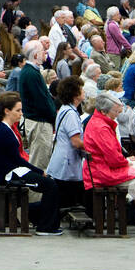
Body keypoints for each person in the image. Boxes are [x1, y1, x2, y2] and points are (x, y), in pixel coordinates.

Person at [83, 92, 135, 235]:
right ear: (104, 111)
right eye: (116, 112)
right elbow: (114, 159)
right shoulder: (101, 127)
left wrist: (126, 161)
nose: (118, 115)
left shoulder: (99, 121)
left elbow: (112, 155)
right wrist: (126, 162)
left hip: (100, 168)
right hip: (103, 173)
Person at [0, 92, 62, 235]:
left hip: (13, 169)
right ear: (6, 111)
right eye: (18, 110)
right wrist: (40, 172)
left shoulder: (5, 128)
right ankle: (45, 227)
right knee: (50, 186)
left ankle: (38, 217)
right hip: (9, 174)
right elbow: (17, 160)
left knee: (50, 184)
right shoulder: (3, 131)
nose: (21, 113)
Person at [46, 77, 87, 210]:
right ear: (75, 93)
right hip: (67, 161)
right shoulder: (70, 113)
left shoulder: (65, 108)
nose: (84, 92)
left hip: (62, 158)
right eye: (81, 89)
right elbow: (75, 142)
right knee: (66, 198)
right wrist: (94, 146)